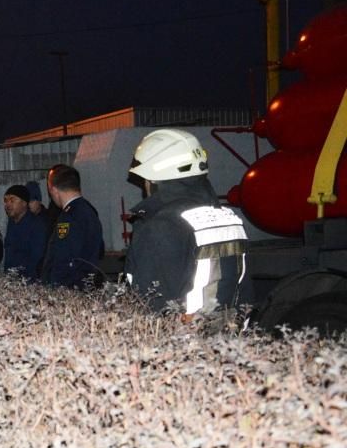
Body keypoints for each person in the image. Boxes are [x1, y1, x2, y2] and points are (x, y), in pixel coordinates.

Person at [125, 128, 249, 314]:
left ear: (152, 178)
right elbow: (244, 294)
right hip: (229, 339)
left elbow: (151, 304)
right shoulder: (229, 218)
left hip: (181, 339)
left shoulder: (161, 226)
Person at [40, 164, 104, 288]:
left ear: (52, 190)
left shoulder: (71, 215)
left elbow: (64, 256)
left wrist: (55, 287)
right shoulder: (88, 210)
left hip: (70, 289)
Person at [1, 184, 48, 280]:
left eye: (12, 200)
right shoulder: (12, 223)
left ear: (24, 203)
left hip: (30, 283)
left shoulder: (37, 225)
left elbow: (37, 261)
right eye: (6, 201)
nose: (7, 204)